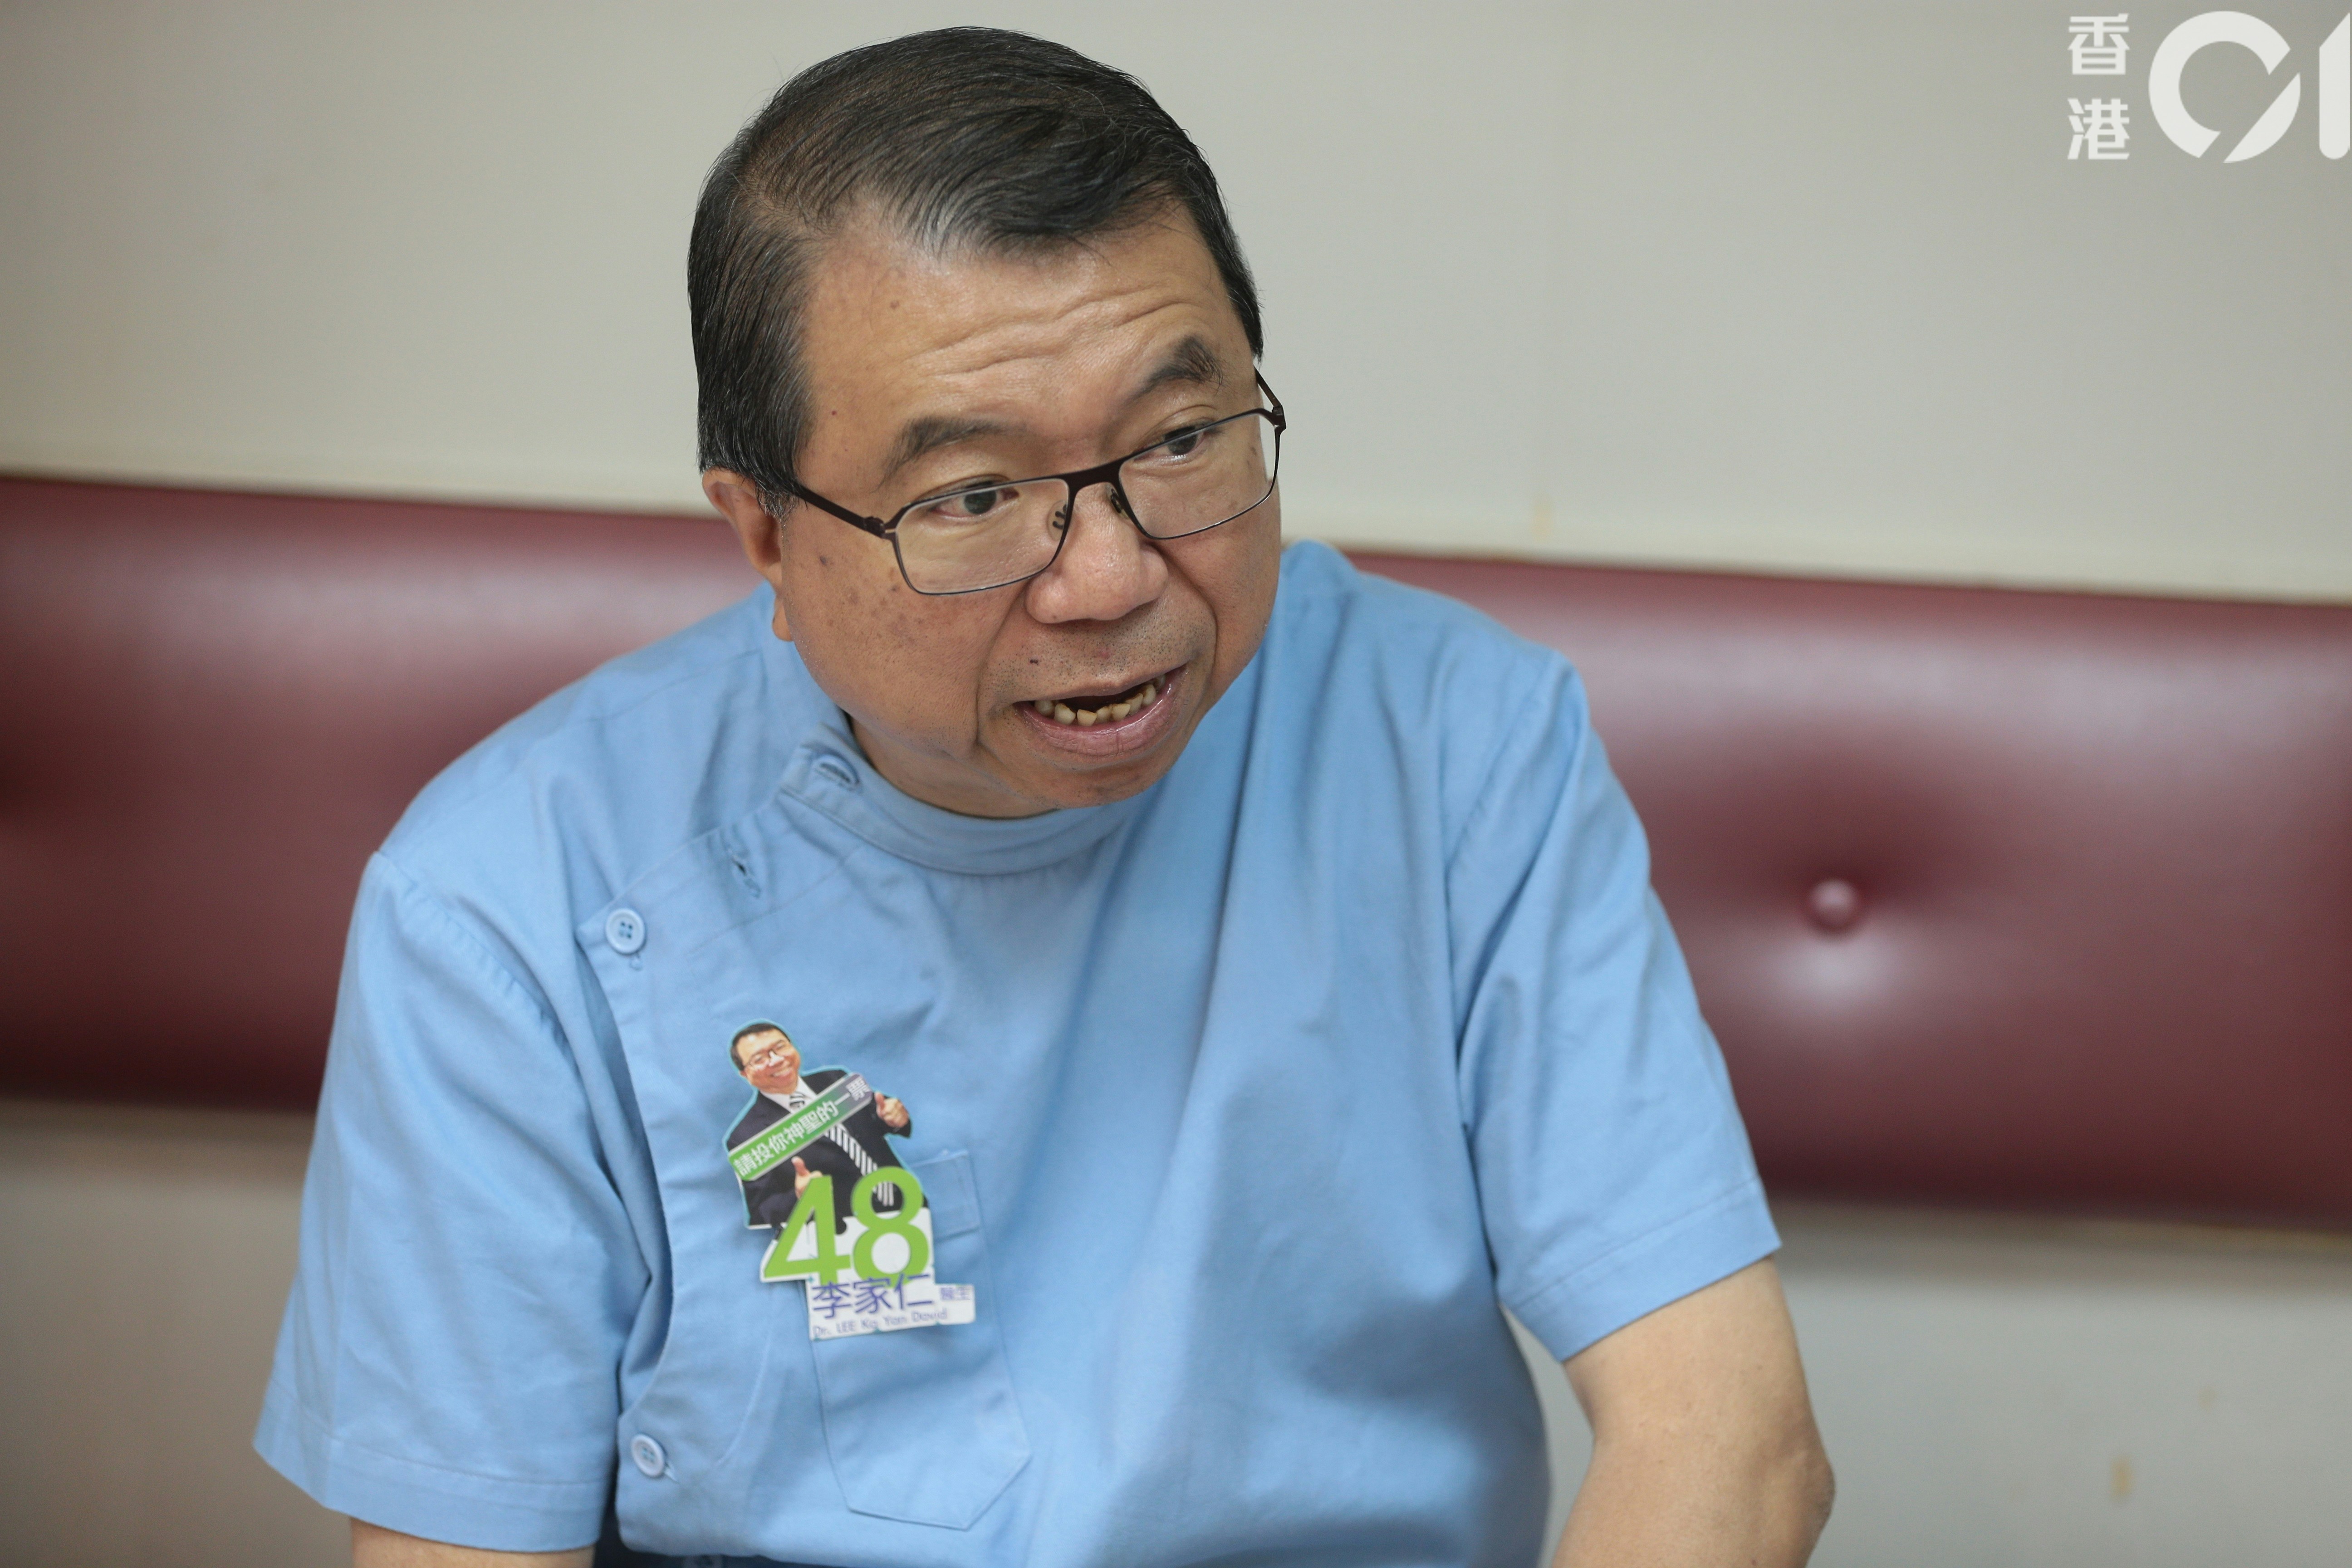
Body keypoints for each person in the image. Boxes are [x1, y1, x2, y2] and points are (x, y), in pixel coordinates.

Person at [259, 25, 1833, 1568]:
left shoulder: (1454, 741)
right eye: (973, 496)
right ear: (765, 534)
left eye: (1183, 438)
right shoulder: (503, 902)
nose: (1111, 576)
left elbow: (1730, 1446)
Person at [725, 1021, 913, 1228]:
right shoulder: (746, 1136)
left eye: (780, 1047)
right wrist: (800, 1197)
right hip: (842, 1234)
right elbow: (762, 1210)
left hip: (909, 1208)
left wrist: (896, 1118)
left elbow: (883, 1118)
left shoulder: (836, 1080)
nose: (777, 1060)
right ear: (745, 1074)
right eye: (760, 1059)